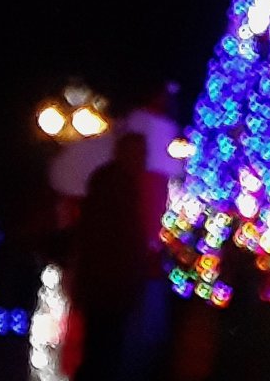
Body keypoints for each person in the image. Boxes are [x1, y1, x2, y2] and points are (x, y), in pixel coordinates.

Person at [73, 131, 156, 381]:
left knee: (103, 349)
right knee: (103, 350)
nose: (142, 160)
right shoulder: (114, 185)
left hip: (109, 285)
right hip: (108, 285)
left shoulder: (119, 183)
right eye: (138, 154)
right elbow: (108, 237)